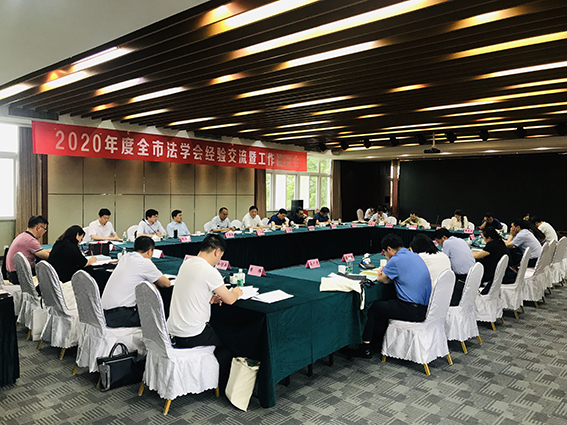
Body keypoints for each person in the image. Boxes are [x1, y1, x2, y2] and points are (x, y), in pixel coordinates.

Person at [167, 234, 243, 395]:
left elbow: (192, 290)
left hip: (172, 331)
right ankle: (217, 385)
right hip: (191, 334)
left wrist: (210, 298)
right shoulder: (210, 271)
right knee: (232, 343)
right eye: (221, 256)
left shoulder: (187, 263)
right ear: (217, 251)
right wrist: (236, 291)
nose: (219, 260)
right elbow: (230, 300)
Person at [352, 234, 431, 358]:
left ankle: (365, 348)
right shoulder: (414, 255)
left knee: (371, 307)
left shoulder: (396, 259)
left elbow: (381, 279)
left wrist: (380, 272)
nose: (386, 255)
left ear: (389, 249)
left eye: (384, 252)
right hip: (425, 308)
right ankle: (378, 338)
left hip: (411, 310)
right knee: (387, 301)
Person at [101, 236, 171, 327]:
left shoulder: (125, 257)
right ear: (149, 251)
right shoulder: (144, 262)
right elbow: (166, 284)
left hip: (103, 314)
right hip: (121, 315)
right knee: (155, 315)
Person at [47, 225, 97, 310]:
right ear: (77, 235)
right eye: (81, 238)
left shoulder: (58, 243)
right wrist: (91, 260)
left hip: (54, 276)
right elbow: (83, 263)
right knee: (90, 271)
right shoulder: (71, 247)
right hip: (65, 278)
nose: (80, 242)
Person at [432, 228, 475, 306]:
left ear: (444, 237)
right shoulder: (461, 240)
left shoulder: (447, 243)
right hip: (472, 274)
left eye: (438, 242)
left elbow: (445, 261)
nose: (439, 244)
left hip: (461, 279)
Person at [5, 215, 51, 285]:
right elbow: (47, 256)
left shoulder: (23, 236)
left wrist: (52, 250)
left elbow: (41, 251)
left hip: (11, 273)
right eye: (44, 229)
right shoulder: (30, 240)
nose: (44, 232)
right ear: (38, 227)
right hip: (19, 276)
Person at [473, 227, 512, 294]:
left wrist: (468, 252)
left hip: (491, 273)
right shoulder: (500, 242)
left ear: (489, 238)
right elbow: (481, 253)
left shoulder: (492, 245)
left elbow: (477, 256)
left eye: (484, 237)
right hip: (502, 271)